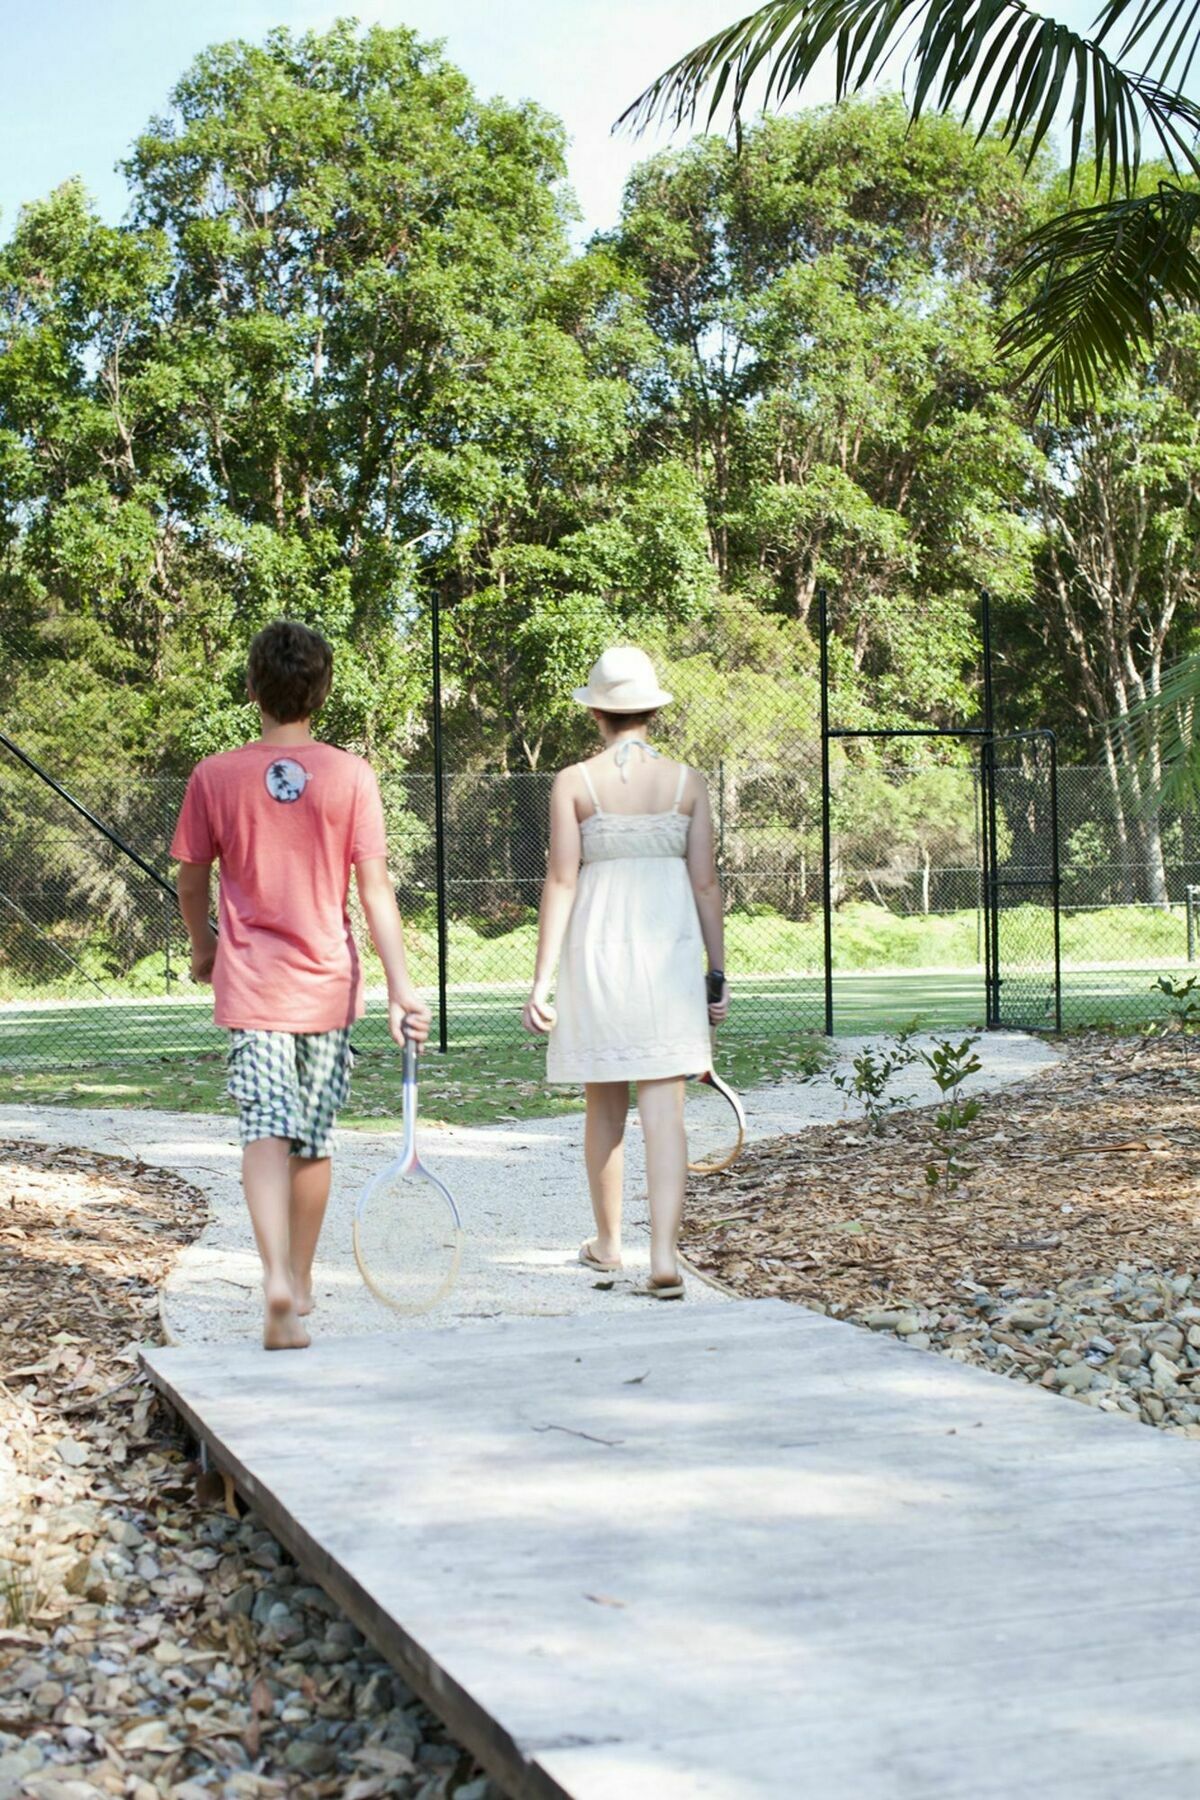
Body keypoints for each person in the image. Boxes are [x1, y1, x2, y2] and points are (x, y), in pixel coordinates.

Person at [171, 619, 431, 1351]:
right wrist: (400, 987)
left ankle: (274, 1278)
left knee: (263, 1128)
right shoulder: (352, 775)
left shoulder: (214, 776)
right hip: (327, 988)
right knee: (311, 1142)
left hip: (251, 985)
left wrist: (204, 948)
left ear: (252, 687)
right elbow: (375, 892)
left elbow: (192, 880)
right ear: (323, 691)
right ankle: (303, 1280)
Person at [523, 646, 728, 1298]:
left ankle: (609, 1244)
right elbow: (705, 884)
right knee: (664, 1112)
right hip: (667, 963)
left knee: (604, 1106)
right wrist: (716, 971)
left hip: (597, 957)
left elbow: (560, 880)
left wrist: (541, 980)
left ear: (597, 715)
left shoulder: (573, 782)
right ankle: (663, 1257)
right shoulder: (686, 783)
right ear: (652, 712)